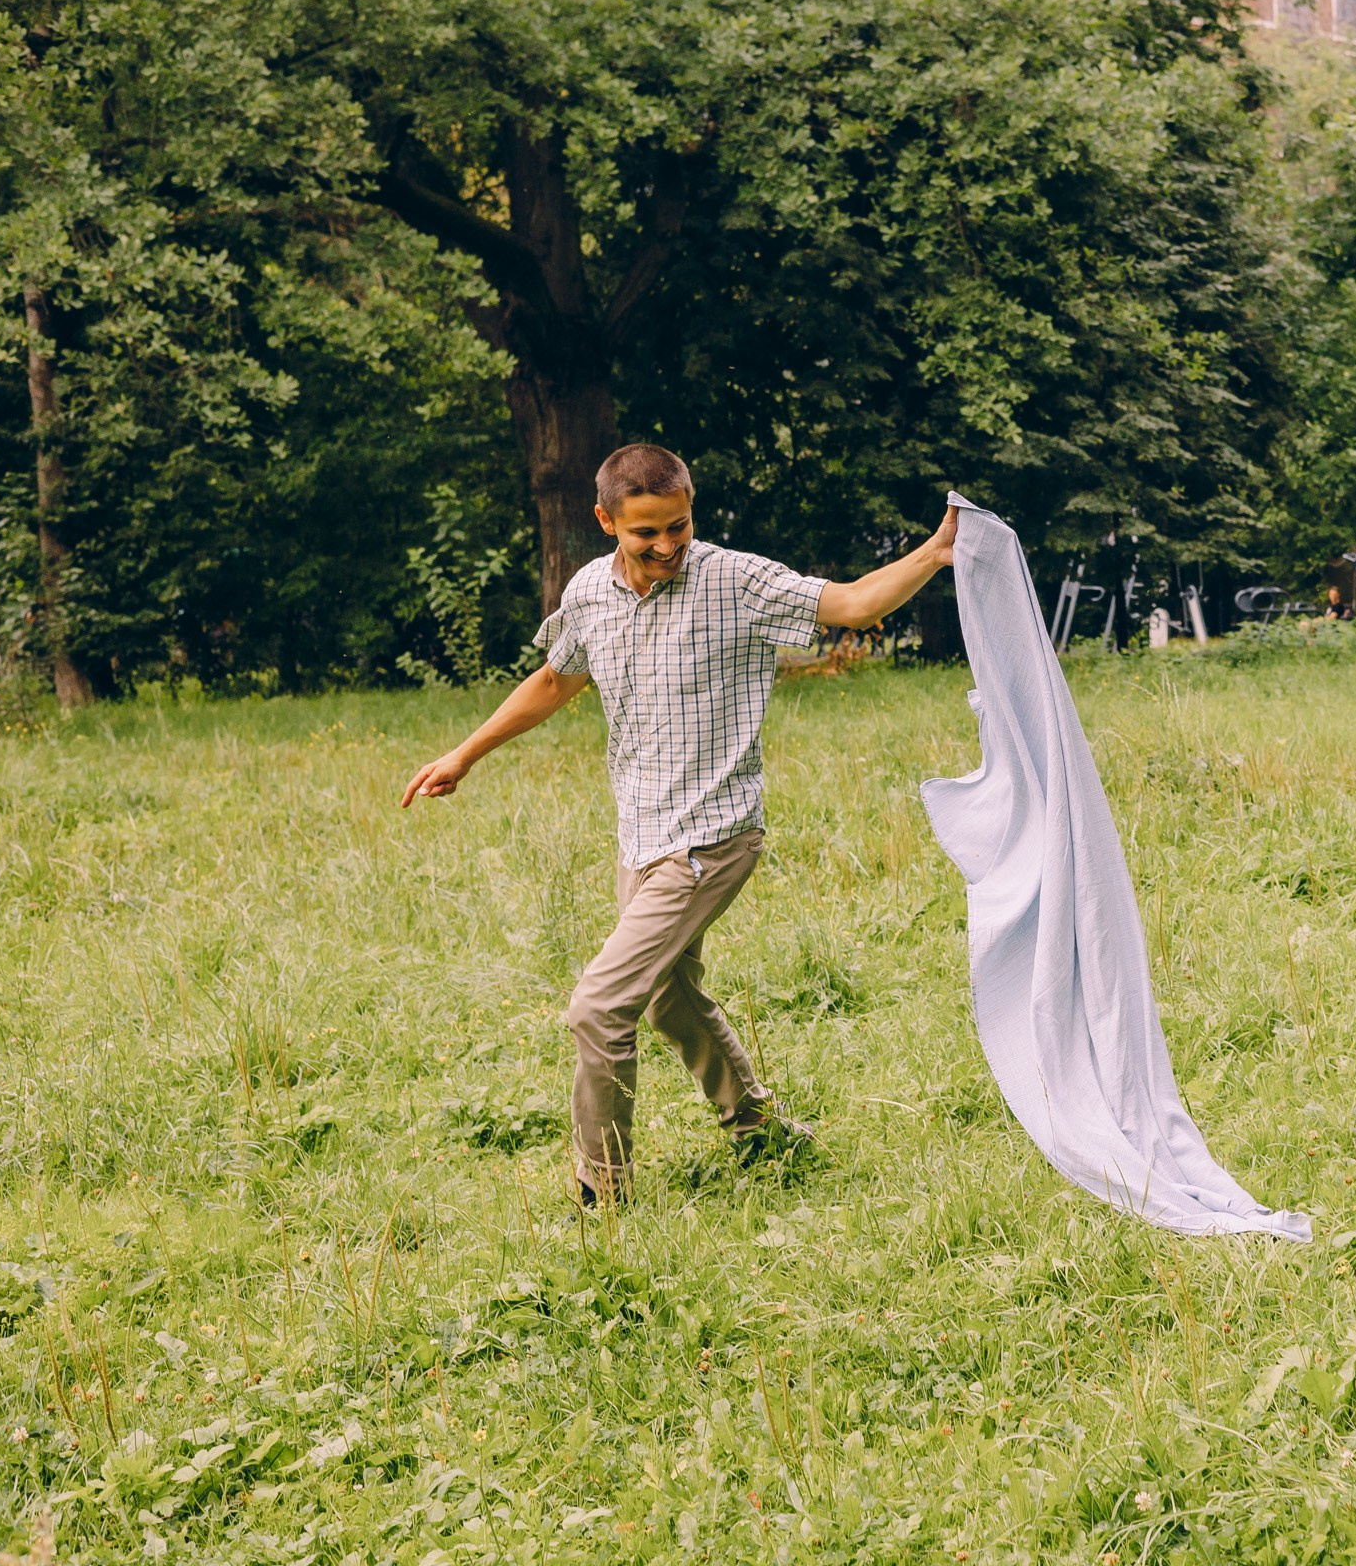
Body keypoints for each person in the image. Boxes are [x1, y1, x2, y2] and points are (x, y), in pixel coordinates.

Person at [401, 444, 957, 1206]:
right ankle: (760, 1128)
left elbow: (854, 604)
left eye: (679, 526)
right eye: (646, 533)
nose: (666, 545)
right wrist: (464, 754)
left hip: (712, 837)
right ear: (606, 522)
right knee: (667, 996)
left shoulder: (735, 581)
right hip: (641, 836)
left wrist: (935, 551)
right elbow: (556, 679)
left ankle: (604, 1193)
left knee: (599, 1007)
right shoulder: (591, 592)